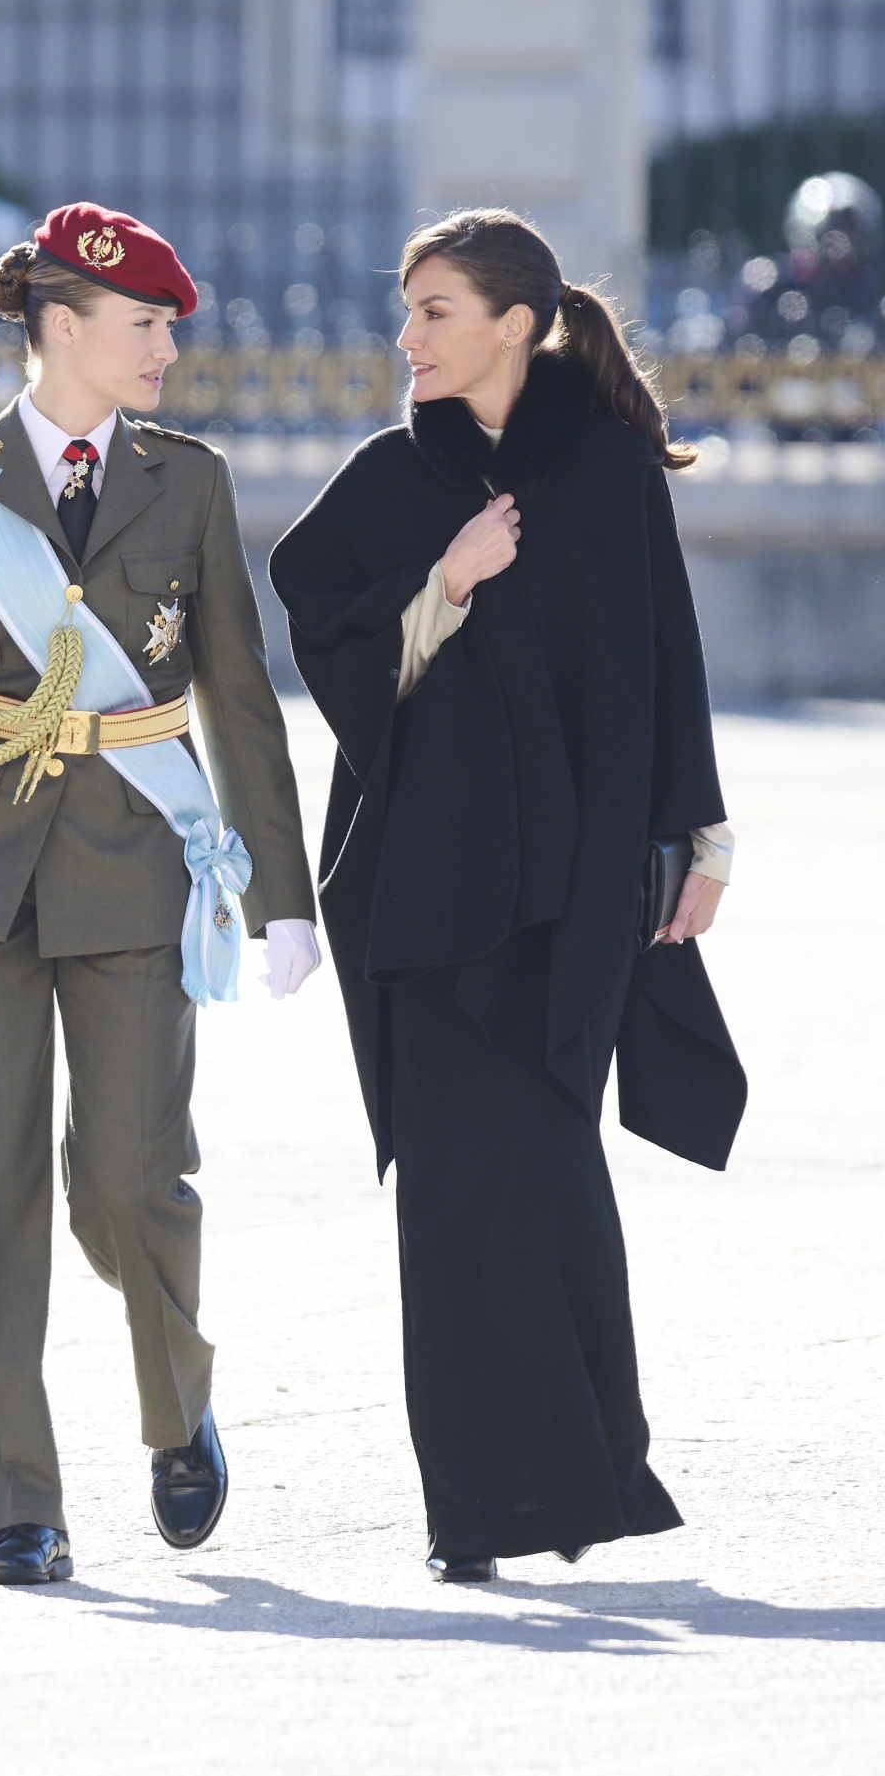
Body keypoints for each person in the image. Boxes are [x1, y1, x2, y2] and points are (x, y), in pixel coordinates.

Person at [0, 201, 320, 1586]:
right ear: (62, 326)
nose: (167, 346)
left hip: (134, 867)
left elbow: (238, 696)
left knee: (129, 1183)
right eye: (145, 323)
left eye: (168, 324)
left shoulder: (190, 479)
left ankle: (178, 1399)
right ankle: (18, 1507)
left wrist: (283, 893)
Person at [270, 208, 747, 1583]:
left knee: (551, 1174)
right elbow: (331, 632)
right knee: (451, 1199)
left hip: (578, 890)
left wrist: (698, 841)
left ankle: (593, 1473)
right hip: (427, 893)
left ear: (516, 324)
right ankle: (475, 1513)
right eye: (405, 307)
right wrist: (446, 582)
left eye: (432, 309)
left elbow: (666, 648)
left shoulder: (603, 469)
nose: (405, 334)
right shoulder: (388, 479)